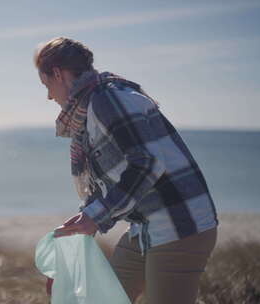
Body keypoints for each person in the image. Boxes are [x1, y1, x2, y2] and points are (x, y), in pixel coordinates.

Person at [34, 37, 218, 304]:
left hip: (180, 226)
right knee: (101, 299)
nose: (49, 96)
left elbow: (147, 162)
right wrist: (68, 250)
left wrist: (96, 218)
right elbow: (109, 186)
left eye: (46, 85)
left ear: (58, 74)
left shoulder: (107, 99)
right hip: (144, 229)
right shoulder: (89, 110)